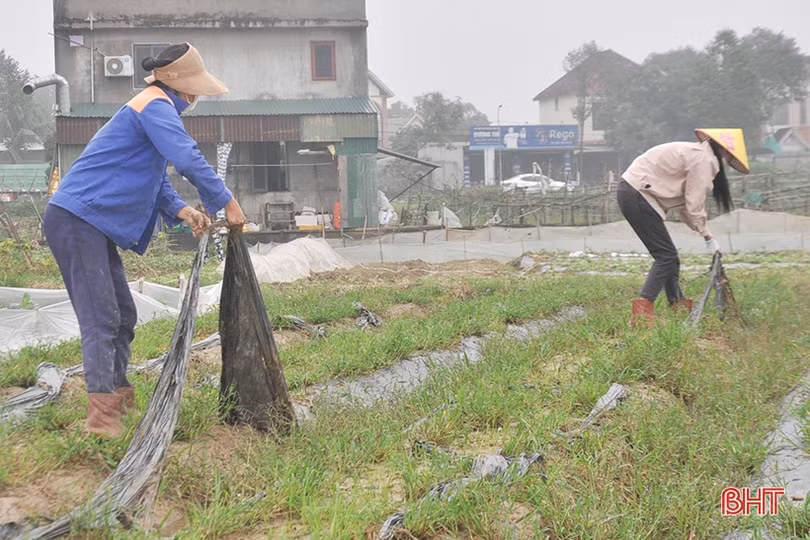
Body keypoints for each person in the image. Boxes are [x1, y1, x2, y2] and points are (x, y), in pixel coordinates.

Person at [42, 43, 246, 438]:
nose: (196, 97)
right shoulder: (154, 106)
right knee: (102, 316)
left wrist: (183, 211)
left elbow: (152, 177)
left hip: (90, 222)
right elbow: (186, 158)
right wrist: (227, 201)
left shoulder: (153, 107)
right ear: (181, 86)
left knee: (123, 314)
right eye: (195, 89)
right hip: (76, 219)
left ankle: (118, 397)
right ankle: (101, 419)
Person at [617, 129, 750, 326]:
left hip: (633, 191)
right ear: (727, 150)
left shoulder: (698, 154)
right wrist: (707, 236)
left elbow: (687, 208)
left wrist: (705, 234)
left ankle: (677, 305)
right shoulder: (704, 159)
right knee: (666, 256)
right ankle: (641, 314)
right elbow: (694, 203)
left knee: (670, 257)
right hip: (637, 193)